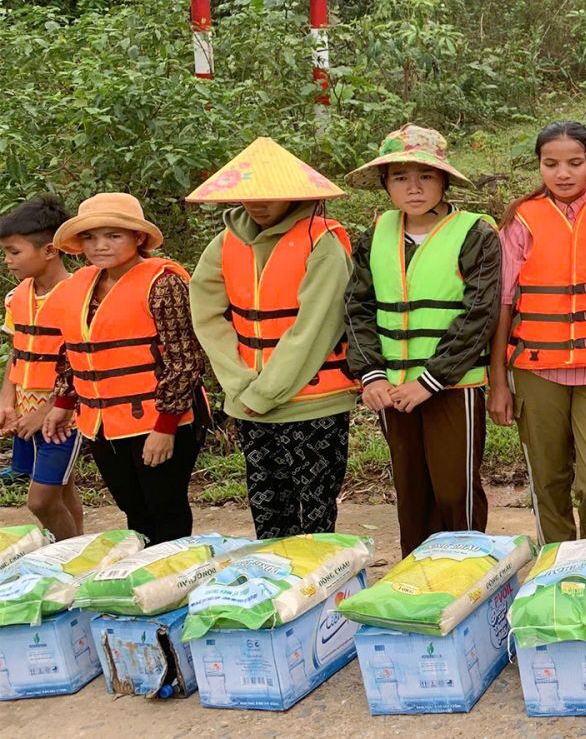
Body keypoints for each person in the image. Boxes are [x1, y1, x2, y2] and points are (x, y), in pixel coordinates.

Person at [187, 137, 357, 538]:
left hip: (313, 404)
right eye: (249, 192)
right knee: (268, 517)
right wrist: (240, 384)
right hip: (248, 399)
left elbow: (316, 328)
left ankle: (318, 594)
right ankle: (275, 595)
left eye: (269, 192)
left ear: (294, 193)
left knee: (314, 519)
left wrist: (264, 392)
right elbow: (207, 316)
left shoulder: (323, 241)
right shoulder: (226, 241)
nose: (257, 201)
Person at [345, 124, 500, 555]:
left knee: (454, 490)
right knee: (411, 492)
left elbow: (478, 314)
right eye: (400, 177)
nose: (414, 188)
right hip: (391, 387)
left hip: (452, 385)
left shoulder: (475, 233)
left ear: (444, 180)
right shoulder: (375, 234)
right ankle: (418, 581)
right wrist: (372, 376)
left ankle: (469, 571)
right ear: (385, 185)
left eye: (426, 176)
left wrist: (430, 380)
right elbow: (357, 307)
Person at [488, 121, 586, 544]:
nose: (563, 174)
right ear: (538, 165)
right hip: (538, 369)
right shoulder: (522, 218)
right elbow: (503, 304)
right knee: (548, 478)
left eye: (576, 163)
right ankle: (555, 560)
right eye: (550, 164)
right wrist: (498, 380)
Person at [40, 193, 206, 544]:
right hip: (102, 421)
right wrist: (63, 403)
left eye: (113, 235)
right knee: (134, 510)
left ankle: (175, 580)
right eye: (90, 237)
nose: (100, 246)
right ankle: (147, 584)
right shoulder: (79, 286)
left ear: (138, 238)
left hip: (161, 419)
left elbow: (185, 359)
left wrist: (165, 426)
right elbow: (74, 349)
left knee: (166, 509)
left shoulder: (163, 283)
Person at [0, 195, 83, 538]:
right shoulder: (17, 297)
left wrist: (51, 408)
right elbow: (18, 353)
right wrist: (7, 402)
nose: (7, 261)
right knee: (63, 488)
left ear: (50, 250)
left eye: (14, 252)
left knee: (40, 499)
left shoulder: (79, 295)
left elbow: (84, 362)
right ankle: (80, 551)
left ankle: (68, 553)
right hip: (26, 410)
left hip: (63, 415)